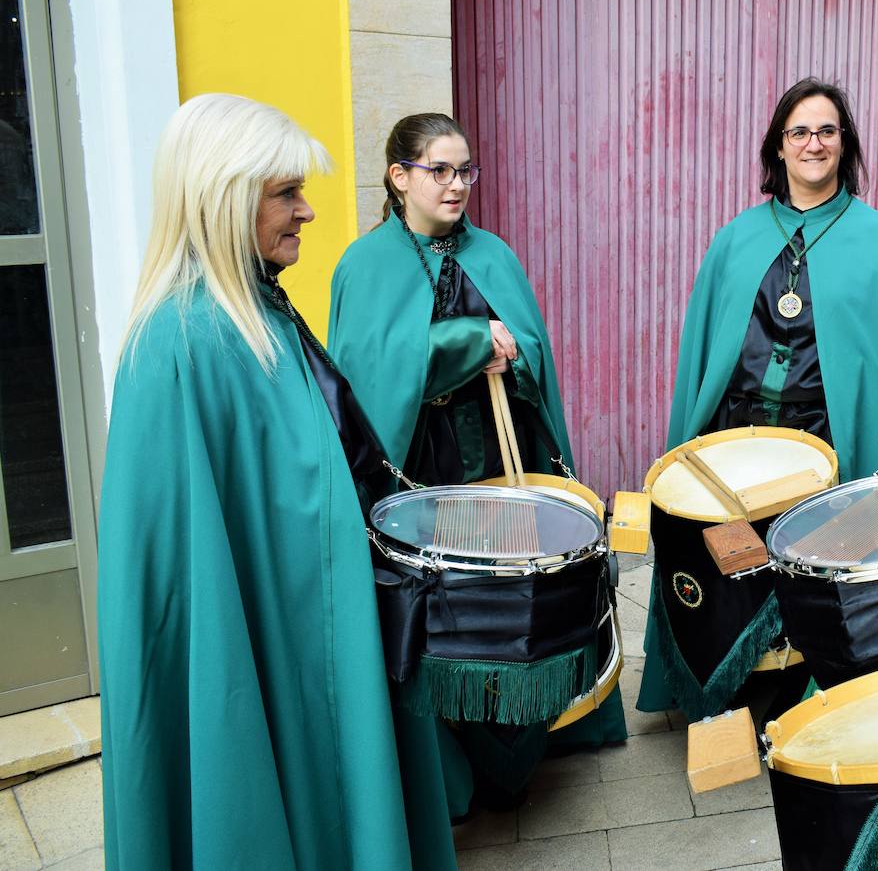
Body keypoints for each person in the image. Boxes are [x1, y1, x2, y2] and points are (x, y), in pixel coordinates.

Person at [98, 94, 455, 870]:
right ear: (224, 198)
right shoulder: (179, 344)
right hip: (272, 655)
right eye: (285, 193)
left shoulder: (258, 310)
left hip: (316, 638)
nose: (306, 212)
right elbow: (184, 589)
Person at [328, 112, 627, 807]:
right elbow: (368, 375)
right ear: (399, 176)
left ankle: (527, 740)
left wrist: (512, 350)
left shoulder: (493, 252)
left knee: (515, 601)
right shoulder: (365, 264)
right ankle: (452, 776)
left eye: (466, 170)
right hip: (420, 470)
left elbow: (534, 351)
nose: (457, 184)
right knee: (448, 618)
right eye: (440, 170)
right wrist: (469, 341)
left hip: (500, 456)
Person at [637, 77, 878, 717]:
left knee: (810, 577)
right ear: (778, 146)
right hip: (735, 439)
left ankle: (805, 699)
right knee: (734, 571)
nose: (813, 143)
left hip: (828, 442)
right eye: (799, 131)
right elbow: (703, 352)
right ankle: (730, 693)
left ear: (845, 144)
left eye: (827, 131)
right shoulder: (735, 239)